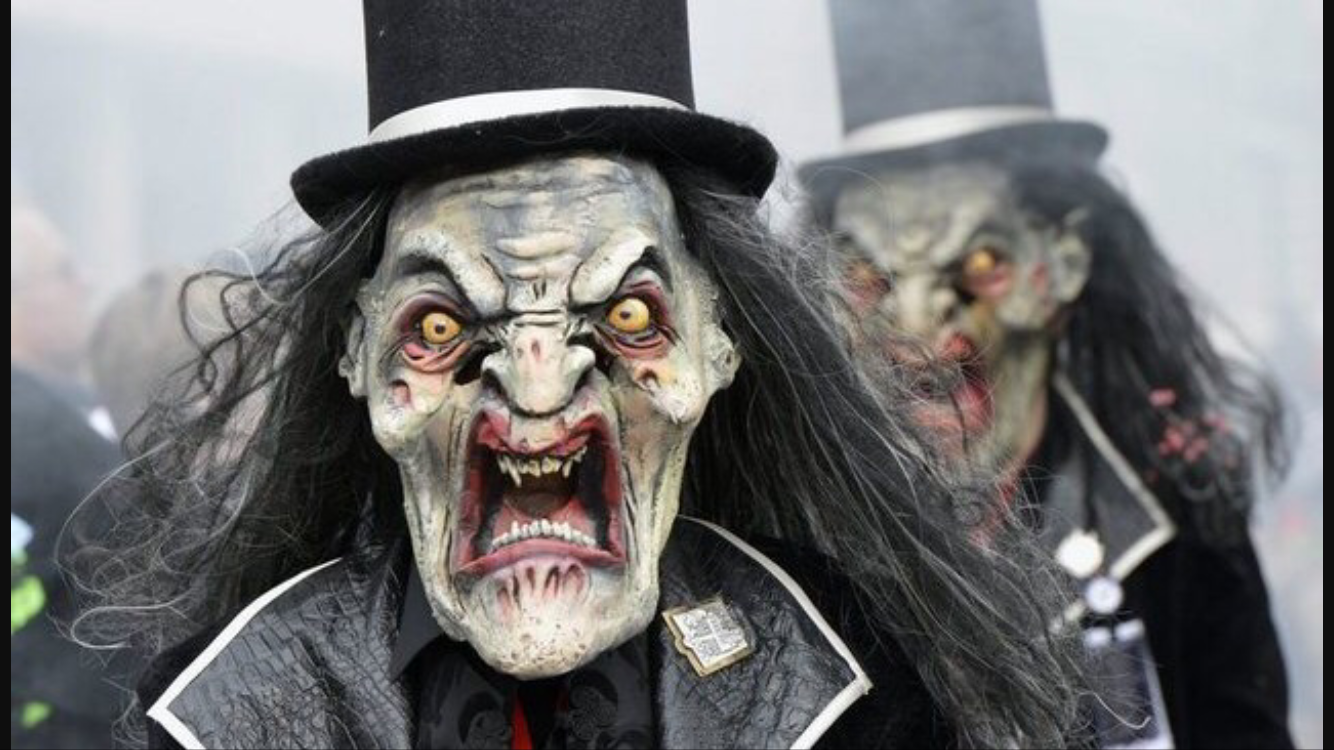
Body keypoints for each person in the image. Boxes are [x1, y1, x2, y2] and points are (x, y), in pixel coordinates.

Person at [71, 2, 1084, 747]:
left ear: (714, 345)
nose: (539, 387)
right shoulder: (234, 707)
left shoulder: (842, 665)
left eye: (625, 315)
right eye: (441, 324)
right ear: (357, 357)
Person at [803, 1, 1294, 747]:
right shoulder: (798, 534)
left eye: (979, 262)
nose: (914, 317)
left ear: (1060, 266)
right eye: (871, 272)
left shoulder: (1173, 509)